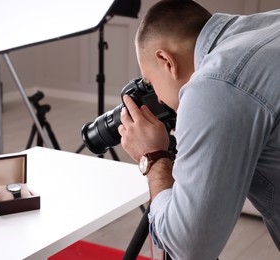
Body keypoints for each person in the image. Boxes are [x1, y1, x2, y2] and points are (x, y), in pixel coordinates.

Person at [117, 0, 280, 258]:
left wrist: (154, 156)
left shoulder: (215, 85)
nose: (157, 99)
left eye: (150, 82)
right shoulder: (268, 24)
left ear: (166, 61)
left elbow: (189, 248)